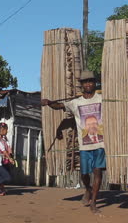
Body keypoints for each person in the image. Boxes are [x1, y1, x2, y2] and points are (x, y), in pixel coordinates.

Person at [42, 71, 105, 214]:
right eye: (85, 82)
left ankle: (93, 203)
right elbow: (60, 106)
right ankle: (88, 189)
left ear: (94, 83)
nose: (88, 84)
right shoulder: (76, 103)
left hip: (100, 144)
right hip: (85, 145)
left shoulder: (102, 99)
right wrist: (49, 103)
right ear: (81, 85)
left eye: (90, 81)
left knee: (98, 173)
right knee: (84, 173)